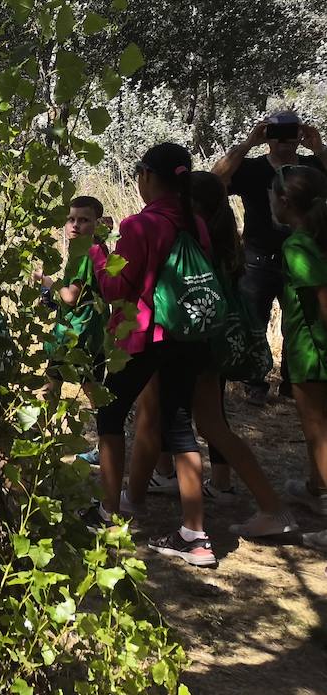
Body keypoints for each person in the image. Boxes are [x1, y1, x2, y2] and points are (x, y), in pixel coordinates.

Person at [139, 172, 297, 540]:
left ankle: (137, 507)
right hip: (212, 345)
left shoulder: (193, 242)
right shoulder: (222, 239)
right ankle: (272, 507)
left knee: (171, 424)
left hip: (193, 345)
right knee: (212, 426)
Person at [90, 143, 218, 567]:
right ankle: (195, 535)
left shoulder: (140, 225)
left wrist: (98, 251)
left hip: (145, 335)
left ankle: (109, 514)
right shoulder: (195, 223)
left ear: (147, 176)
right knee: (179, 426)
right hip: (187, 334)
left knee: (110, 414)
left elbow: (115, 288)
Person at [213, 110, 327, 404]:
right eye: (277, 135)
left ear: (300, 135)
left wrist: (319, 148)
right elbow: (215, 180)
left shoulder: (312, 167)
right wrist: (247, 144)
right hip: (258, 259)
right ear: (267, 137)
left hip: (304, 259)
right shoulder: (253, 168)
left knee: (300, 322)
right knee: (254, 323)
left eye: (291, 134)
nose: (284, 142)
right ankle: (254, 382)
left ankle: (293, 384)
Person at [268, 164, 327, 545]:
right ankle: (316, 488)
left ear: (285, 201)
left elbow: (322, 297)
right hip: (310, 347)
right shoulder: (316, 237)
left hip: (313, 350)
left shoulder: (297, 245)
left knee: (317, 431)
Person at [38, 196, 108, 405]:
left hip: (76, 333)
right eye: (71, 219)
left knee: (62, 383)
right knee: (80, 383)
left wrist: (48, 282)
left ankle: (107, 424)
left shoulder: (84, 255)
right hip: (89, 331)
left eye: (84, 220)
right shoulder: (95, 248)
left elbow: (71, 297)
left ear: (97, 223)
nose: (75, 225)